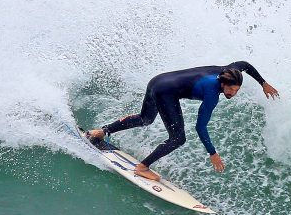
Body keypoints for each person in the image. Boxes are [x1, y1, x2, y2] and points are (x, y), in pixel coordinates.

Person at [86, 61, 279, 181]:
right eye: (231, 90)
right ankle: (142, 167)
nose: (233, 94)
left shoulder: (230, 71)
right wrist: (212, 153)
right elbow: (200, 126)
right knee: (178, 138)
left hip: (157, 81)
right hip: (165, 92)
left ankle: (100, 132)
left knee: (145, 119)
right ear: (223, 84)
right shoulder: (212, 93)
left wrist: (263, 83)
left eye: (237, 91)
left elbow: (245, 64)